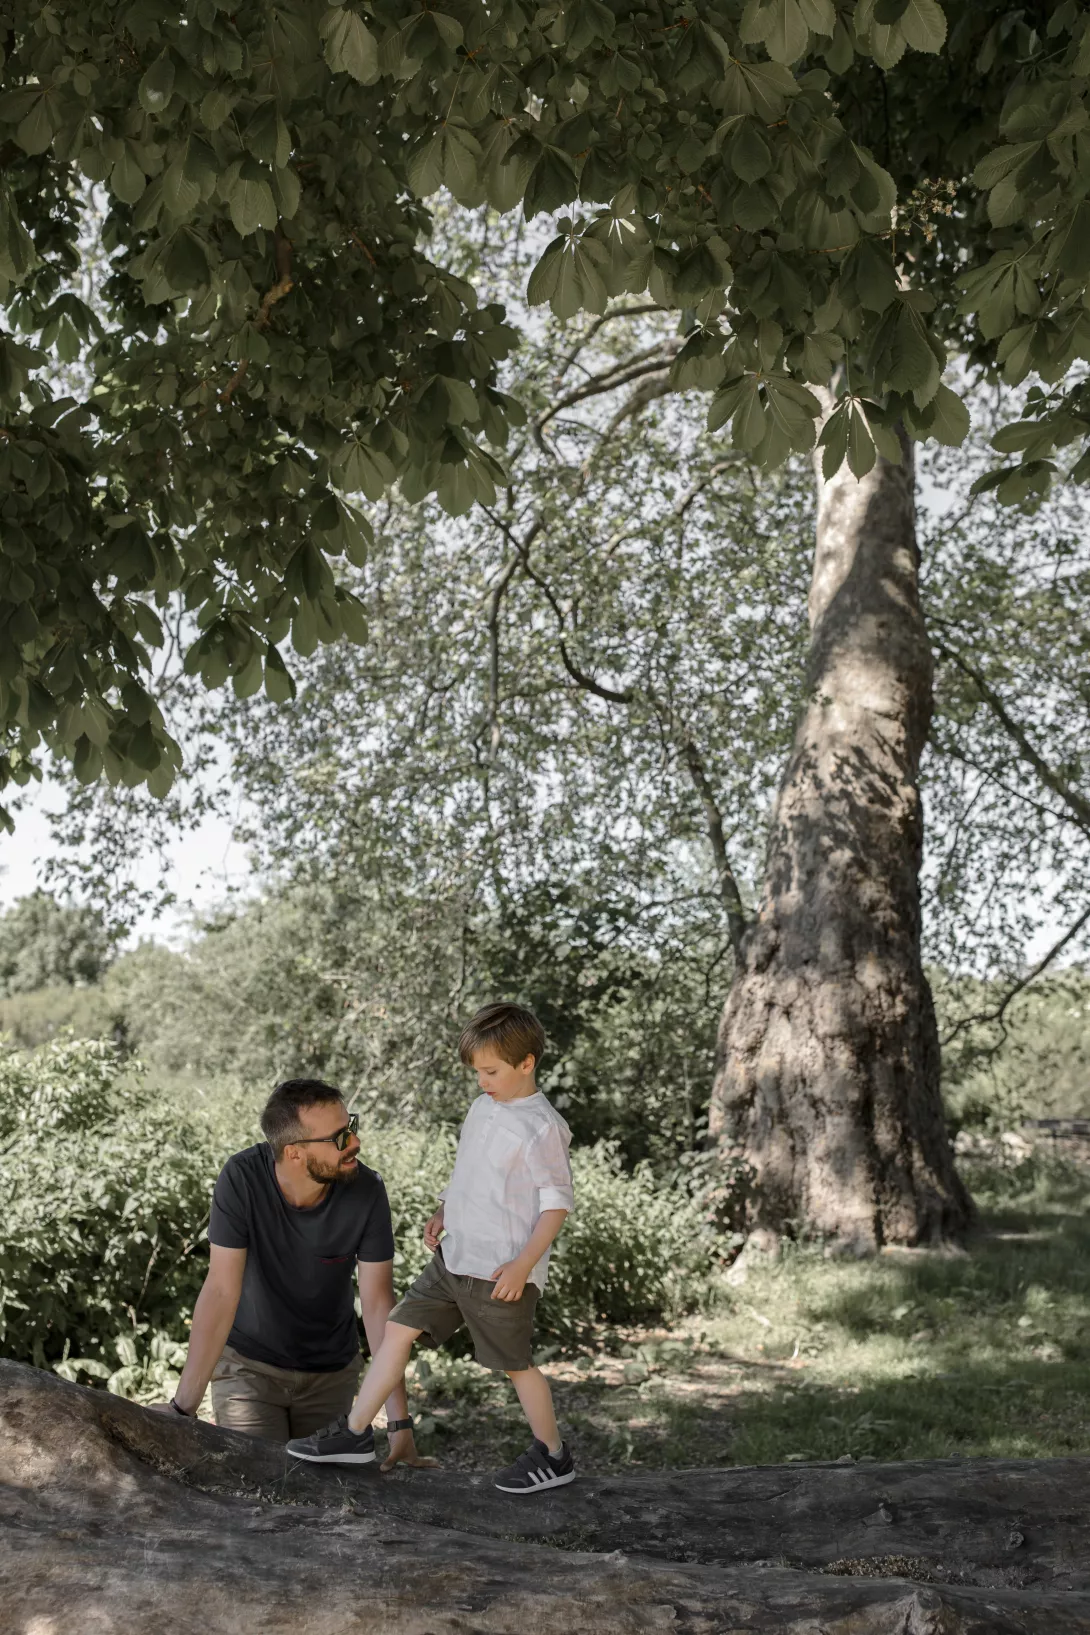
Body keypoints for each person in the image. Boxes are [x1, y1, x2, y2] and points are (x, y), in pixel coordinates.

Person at [286, 1002, 576, 1494]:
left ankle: (553, 1454)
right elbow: (472, 1173)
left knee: (515, 1365)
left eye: (491, 1071)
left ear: (527, 1063)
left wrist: (523, 1265)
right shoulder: (483, 1106)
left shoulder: (542, 1128)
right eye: (476, 1071)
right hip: (452, 1259)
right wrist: (445, 1210)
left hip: (500, 1272)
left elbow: (556, 1206)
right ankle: (355, 1434)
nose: (482, 1080)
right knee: (397, 1330)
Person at [155, 1077, 435, 1473]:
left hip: (332, 1375)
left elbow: (377, 1306)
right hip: (248, 1372)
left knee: (323, 1500)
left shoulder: (367, 1189)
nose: (354, 1143)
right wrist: (182, 1408)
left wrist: (399, 1423)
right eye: (339, 1137)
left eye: (351, 1127)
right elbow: (220, 1291)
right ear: (295, 1153)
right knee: (258, 1488)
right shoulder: (241, 1178)